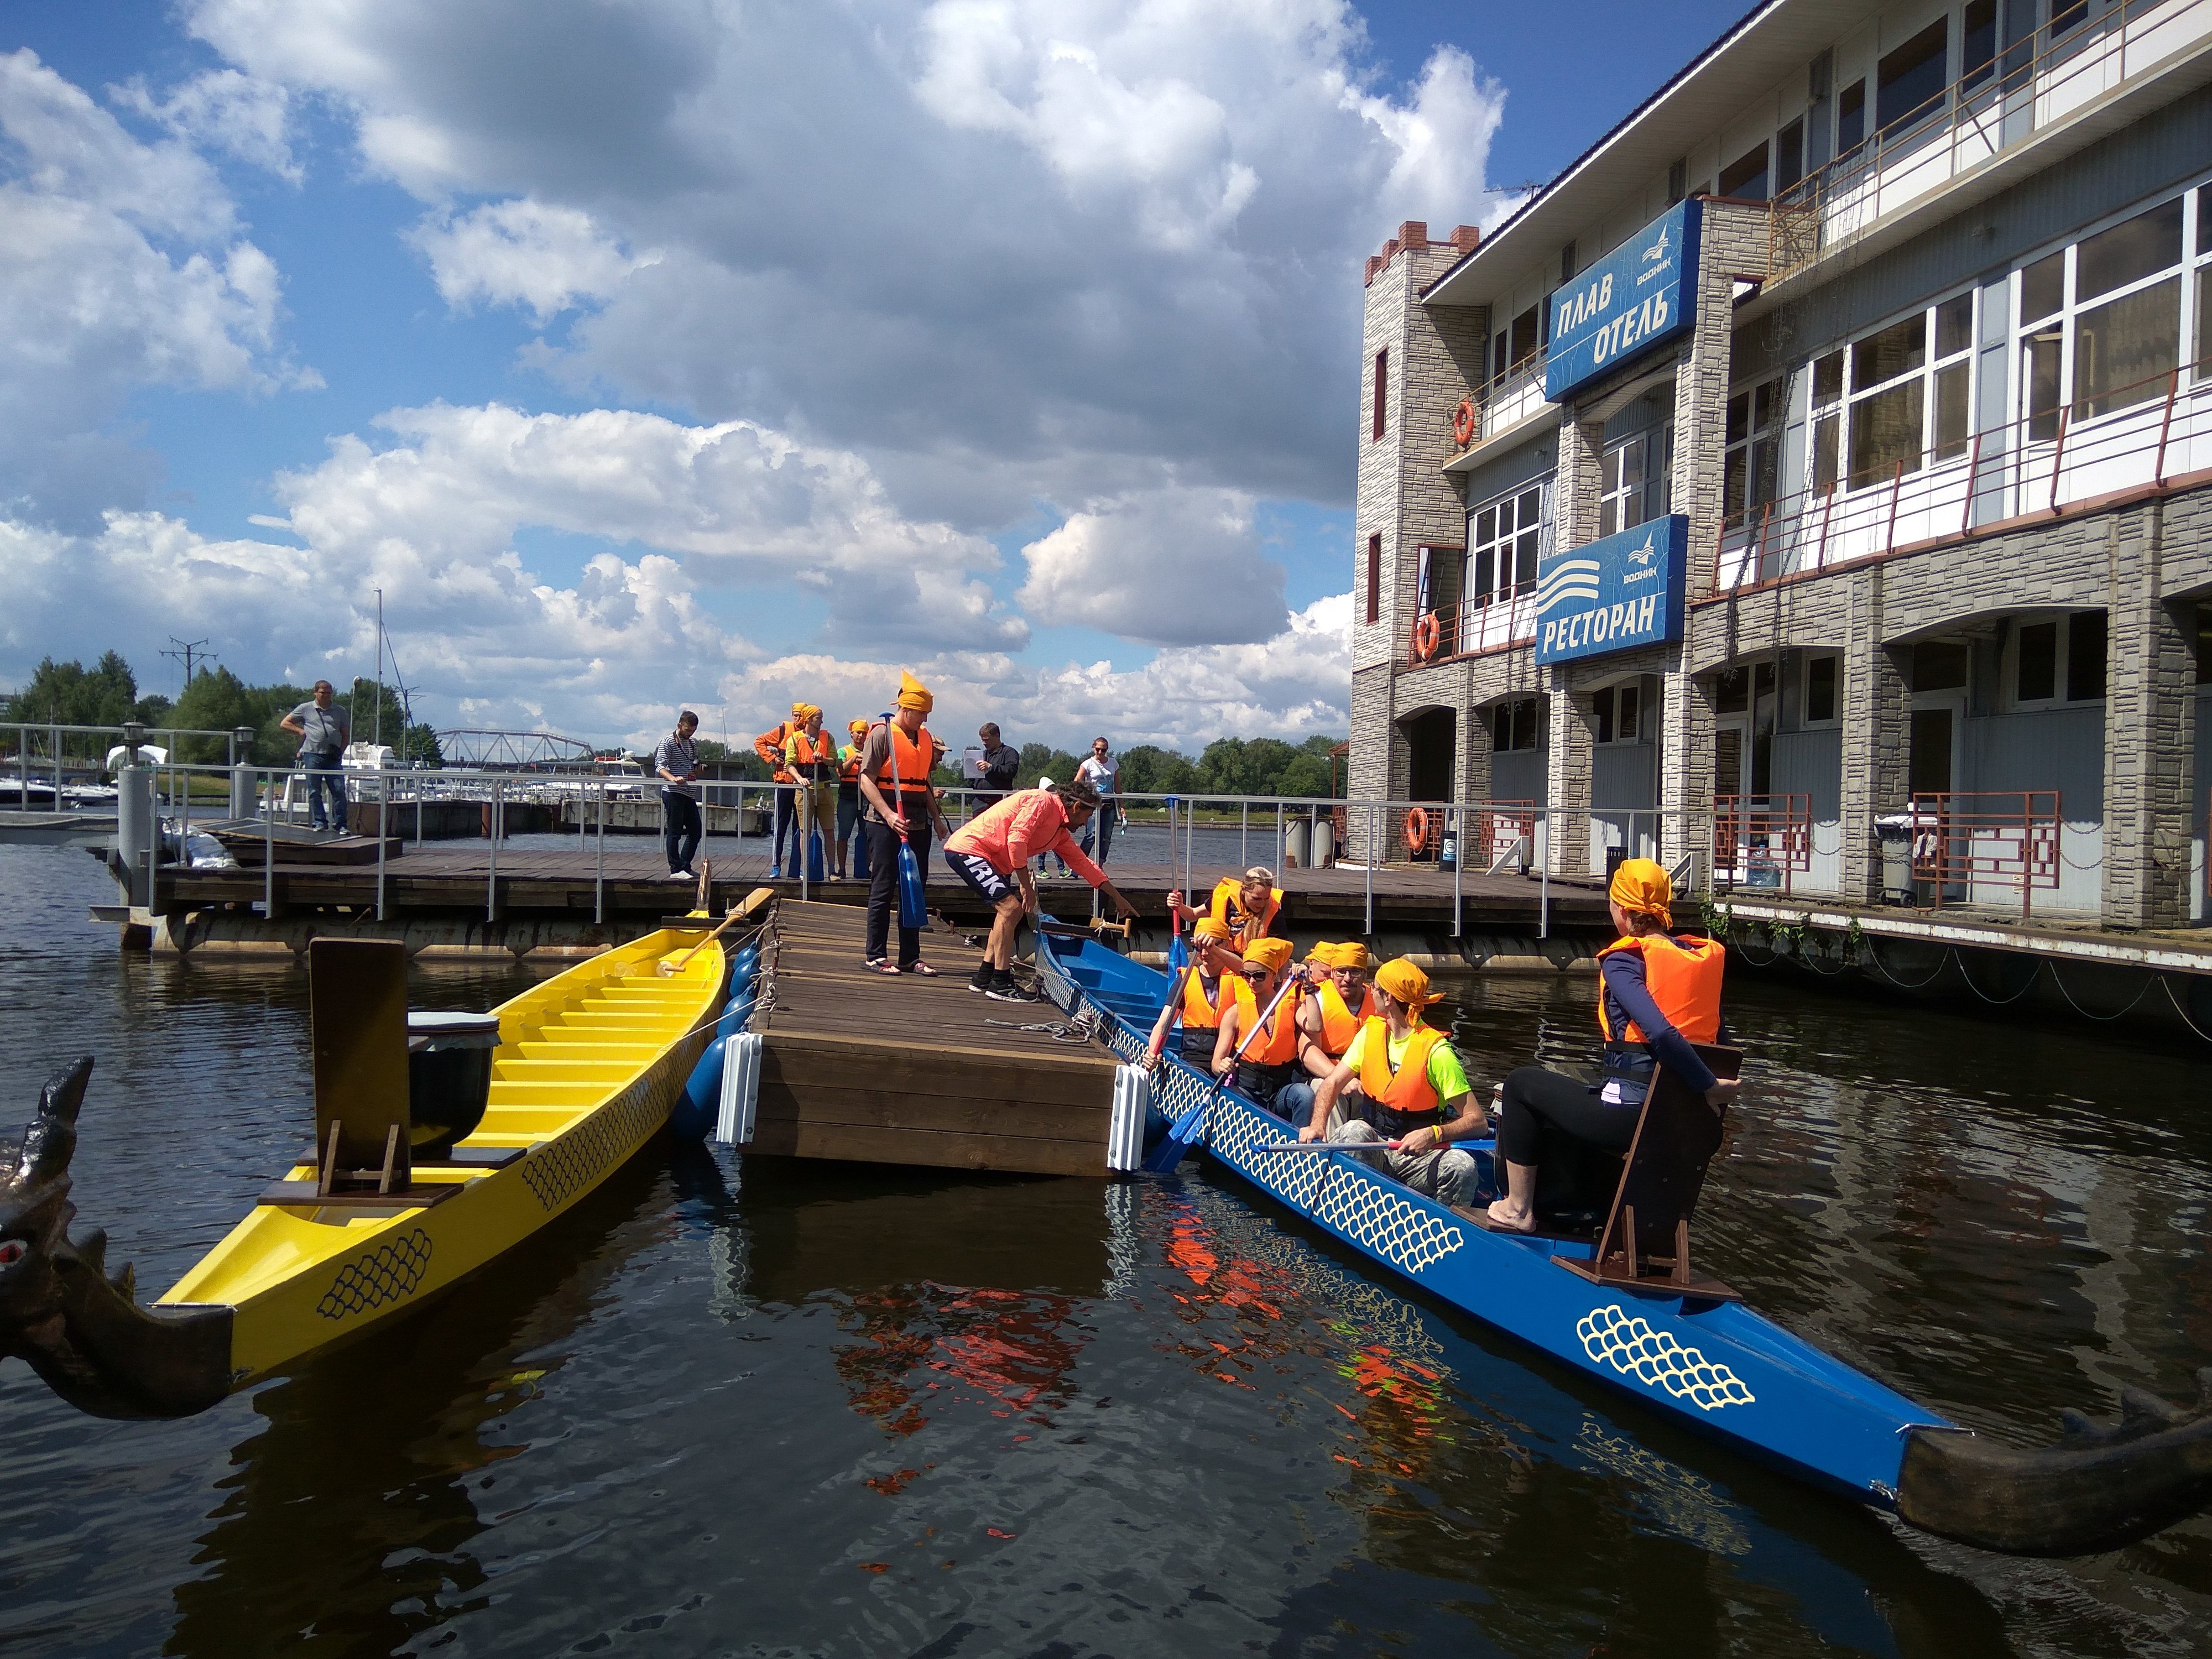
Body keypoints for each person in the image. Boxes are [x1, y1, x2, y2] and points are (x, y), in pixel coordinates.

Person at [1484, 858, 1737, 1233]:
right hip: (1692, 1125)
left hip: (1634, 1118)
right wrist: (1711, 1093)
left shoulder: (1624, 960)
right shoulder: (1699, 956)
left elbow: (1663, 1035)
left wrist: (1707, 1085)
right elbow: (1721, 1039)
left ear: (1620, 908)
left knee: (1520, 1085)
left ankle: (1518, 1210)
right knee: (1585, 1088)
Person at [1301, 958, 1486, 1209]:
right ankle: (1351, 1208)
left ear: (1387, 998)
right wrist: (1317, 1126)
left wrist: (1434, 1134)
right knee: (1354, 1131)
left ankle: (1443, 1228)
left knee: (1461, 1166)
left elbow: (1477, 1121)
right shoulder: (1370, 1033)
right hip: (1376, 1146)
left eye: (1375, 988)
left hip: (1419, 1156)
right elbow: (1332, 1083)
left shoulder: (1438, 1052)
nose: (1370, 991)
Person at [942, 776, 1138, 1000]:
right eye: (1088, 816)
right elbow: (1017, 840)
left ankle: (985, 976)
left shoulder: (1060, 834)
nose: (1086, 823)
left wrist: (1117, 898)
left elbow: (1084, 865)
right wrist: (1027, 886)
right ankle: (1001, 982)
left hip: (990, 858)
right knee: (1012, 909)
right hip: (970, 850)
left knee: (1006, 912)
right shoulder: (1042, 801)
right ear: (1076, 807)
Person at [854, 672, 952, 974]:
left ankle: (910, 956)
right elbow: (865, 780)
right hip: (884, 822)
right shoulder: (881, 735)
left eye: (927, 715)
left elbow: (923, 783)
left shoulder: (923, 738)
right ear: (906, 709)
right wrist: (888, 814)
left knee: (914, 889)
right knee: (883, 888)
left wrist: (937, 819)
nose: (924, 720)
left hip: (918, 823)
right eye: (921, 713)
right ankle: (876, 955)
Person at [1210, 938, 1313, 1121]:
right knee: (1229, 1097)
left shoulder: (1293, 1006)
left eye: (1259, 975)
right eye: (1246, 975)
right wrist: (1222, 1066)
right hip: (1247, 1091)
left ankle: (1299, 1148)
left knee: (1305, 1095)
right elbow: (1216, 1062)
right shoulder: (1235, 1012)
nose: (1251, 981)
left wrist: (1308, 985)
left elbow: (1314, 1026)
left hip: (1281, 1092)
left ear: (1274, 975)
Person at [1141, 917, 1248, 1068]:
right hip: (1194, 1058)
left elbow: (1247, 969)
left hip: (1230, 1059)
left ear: (1226, 944)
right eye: (1199, 946)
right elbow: (1163, 1023)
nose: (1205, 953)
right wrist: (1153, 1052)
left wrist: (1215, 949)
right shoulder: (1186, 979)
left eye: (1211, 945)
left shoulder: (1241, 977)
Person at [1297, 942, 1379, 1078]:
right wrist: (1338, 1080)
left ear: (1365, 974)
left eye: (1355, 972)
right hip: (1326, 1076)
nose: (1347, 979)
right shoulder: (1317, 997)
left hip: (1370, 1077)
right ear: (1333, 974)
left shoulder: (1380, 1000)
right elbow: (1308, 1051)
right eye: (1341, 971)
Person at [280, 679, 352, 831]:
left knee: (339, 790)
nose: (326, 696)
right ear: (315, 693)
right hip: (312, 754)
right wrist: (301, 731)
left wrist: (341, 751)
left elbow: (346, 734)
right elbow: (285, 723)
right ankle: (320, 822)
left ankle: (341, 824)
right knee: (314, 791)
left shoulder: (340, 711)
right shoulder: (306, 708)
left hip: (333, 756)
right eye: (322, 693)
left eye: (328, 693)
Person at [781, 704, 837, 879]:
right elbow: (789, 764)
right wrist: (799, 778)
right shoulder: (795, 739)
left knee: (829, 831)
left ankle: (832, 870)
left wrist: (823, 758)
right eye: (818, 718)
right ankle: (804, 870)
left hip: (824, 790)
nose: (822, 721)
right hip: (804, 792)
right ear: (808, 720)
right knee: (804, 832)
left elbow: (835, 761)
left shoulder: (827, 737)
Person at [1168, 867, 1282, 948]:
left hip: (1252, 973)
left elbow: (1282, 954)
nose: (1262, 904)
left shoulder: (1274, 912)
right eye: (1256, 899)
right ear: (1243, 890)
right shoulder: (1225, 900)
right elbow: (1192, 915)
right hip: (1221, 965)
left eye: (1266, 898)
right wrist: (1180, 906)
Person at [754, 703, 806, 872]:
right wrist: (772, 757)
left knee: (800, 828)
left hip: (801, 786)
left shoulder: (809, 733)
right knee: (780, 826)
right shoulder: (783, 730)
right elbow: (759, 741)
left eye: (800, 715)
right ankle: (776, 865)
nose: (797, 719)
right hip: (783, 784)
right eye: (795, 715)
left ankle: (797, 866)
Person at [653, 711, 705, 879]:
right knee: (675, 831)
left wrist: (698, 769)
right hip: (673, 791)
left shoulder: (692, 744)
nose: (690, 734)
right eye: (688, 730)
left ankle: (685, 865)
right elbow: (659, 766)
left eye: (693, 731)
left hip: (689, 792)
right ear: (679, 725)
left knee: (696, 831)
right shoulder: (667, 742)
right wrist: (673, 778)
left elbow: (692, 763)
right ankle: (675, 869)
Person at [835, 718, 872, 881]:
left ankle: (866, 868)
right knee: (844, 834)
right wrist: (854, 759)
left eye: (864, 733)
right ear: (852, 734)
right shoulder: (843, 751)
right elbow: (841, 770)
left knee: (868, 834)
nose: (861, 736)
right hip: (848, 797)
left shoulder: (871, 751)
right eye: (858, 733)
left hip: (865, 796)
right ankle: (842, 869)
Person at [1074, 737, 1120, 865]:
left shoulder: (1113, 763)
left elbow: (1118, 787)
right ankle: (1079, 864)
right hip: (1093, 805)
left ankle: (1099, 865)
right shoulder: (1088, 764)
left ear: (1107, 750)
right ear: (1093, 748)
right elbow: (1077, 781)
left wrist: (1121, 806)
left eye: (1103, 750)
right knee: (1092, 835)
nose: (1100, 752)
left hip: (1109, 804)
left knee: (1106, 838)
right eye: (1098, 749)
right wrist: (1084, 796)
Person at [975, 723, 1020, 806]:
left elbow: (1011, 771)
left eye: (987, 740)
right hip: (979, 803)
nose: (984, 743)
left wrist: (991, 767)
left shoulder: (1009, 753)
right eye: (982, 740)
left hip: (1000, 803)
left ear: (997, 736)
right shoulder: (982, 755)